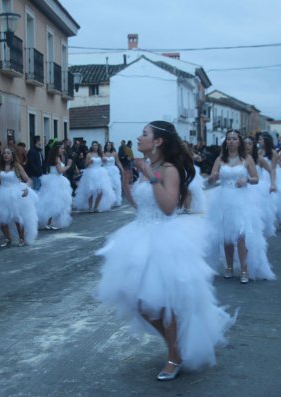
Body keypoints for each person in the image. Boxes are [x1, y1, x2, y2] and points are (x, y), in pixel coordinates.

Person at [96, 121, 235, 381]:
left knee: (161, 304)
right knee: (137, 300)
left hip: (163, 238)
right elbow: (142, 206)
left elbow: (169, 206)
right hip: (141, 234)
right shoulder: (154, 167)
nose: (139, 138)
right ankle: (176, 346)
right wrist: (127, 182)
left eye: (144, 134)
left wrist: (149, 175)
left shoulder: (168, 169)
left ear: (158, 141)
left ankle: (174, 354)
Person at [207, 130, 275, 283]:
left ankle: (244, 269)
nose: (231, 141)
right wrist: (213, 178)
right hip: (223, 199)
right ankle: (229, 267)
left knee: (241, 237)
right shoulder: (220, 159)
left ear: (239, 142)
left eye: (234, 139)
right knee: (227, 237)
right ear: (226, 142)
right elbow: (211, 179)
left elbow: (256, 178)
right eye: (229, 139)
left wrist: (247, 181)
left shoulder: (247, 158)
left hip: (241, 199)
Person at [0, 147, 38, 247]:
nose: (6, 155)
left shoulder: (17, 166)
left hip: (16, 193)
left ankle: (21, 238)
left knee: (17, 217)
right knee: (1, 219)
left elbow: (28, 179)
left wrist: (26, 188)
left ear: (12, 156)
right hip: (1, 193)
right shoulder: (0, 167)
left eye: (8, 153)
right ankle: (8, 238)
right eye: (4, 153)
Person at [37, 143, 74, 230]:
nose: (63, 150)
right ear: (57, 149)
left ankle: (49, 222)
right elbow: (60, 170)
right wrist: (68, 165)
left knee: (53, 203)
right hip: (56, 181)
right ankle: (48, 222)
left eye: (63, 148)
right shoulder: (57, 158)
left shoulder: (56, 158)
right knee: (54, 203)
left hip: (54, 180)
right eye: (61, 148)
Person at [73, 141, 115, 212]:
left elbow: (103, 162)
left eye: (96, 145)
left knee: (101, 191)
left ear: (98, 146)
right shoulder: (89, 154)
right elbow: (85, 164)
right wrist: (89, 162)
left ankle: (96, 206)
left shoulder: (100, 154)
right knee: (91, 191)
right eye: (93, 145)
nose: (95, 146)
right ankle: (90, 207)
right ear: (92, 146)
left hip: (100, 173)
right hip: (91, 173)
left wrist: (105, 160)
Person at [103, 141, 124, 206]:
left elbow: (118, 162)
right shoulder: (103, 153)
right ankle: (107, 200)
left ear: (111, 146)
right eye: (107, 145)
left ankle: (115, 200)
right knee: (107, 186)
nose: (108, 146)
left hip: (113, 170)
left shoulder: (114, 153)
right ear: (105, 146)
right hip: (105, 170)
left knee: (115, 185)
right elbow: (100, 161)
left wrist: (122, 169)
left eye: (109, 145)